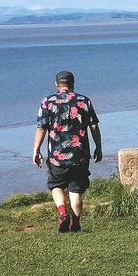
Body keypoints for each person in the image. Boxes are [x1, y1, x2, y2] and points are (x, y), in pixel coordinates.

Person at [33, 70, 102, 233]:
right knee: (75, 189)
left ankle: (63, 213)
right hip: (80, 155)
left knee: (56, 185)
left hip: (57, 156)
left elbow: (41, 128)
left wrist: (36, 150)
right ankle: (75, 223)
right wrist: (99, 146)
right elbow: (93, 125)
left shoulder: (48, 102)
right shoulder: (84, 101)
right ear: (73, 83)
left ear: (57, 84)